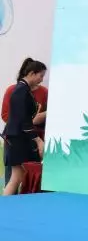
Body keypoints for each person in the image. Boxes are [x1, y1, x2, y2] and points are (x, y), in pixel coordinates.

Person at [2, 58, 47, 196]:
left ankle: (7, 205)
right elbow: (23, 120)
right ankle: (4, 205)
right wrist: (38, 140)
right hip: (17, 139)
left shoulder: (22, 90)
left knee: (18, 176)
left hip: (18, 138)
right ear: (32, 73)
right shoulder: (21, 91)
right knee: (15, 178)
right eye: (40, 76)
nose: (41, 80)